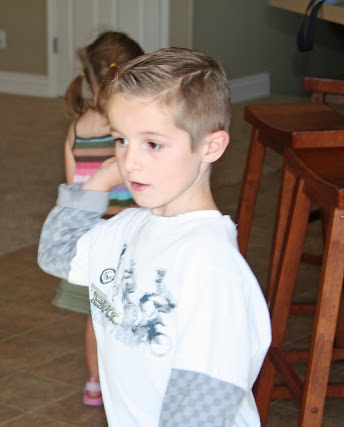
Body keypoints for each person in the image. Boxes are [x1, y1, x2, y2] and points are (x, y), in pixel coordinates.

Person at [38, 47, 271, 426]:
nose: (130, 162)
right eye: (121, 140)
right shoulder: (125, 228)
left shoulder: (211, 266)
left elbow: (203, 408)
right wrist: (100, 180)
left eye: (153, 144)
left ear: (210, 147)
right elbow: (56, 253)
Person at [52, 30, 144, 407]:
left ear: (89, 77)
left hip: (93, 242)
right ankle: (133, 383)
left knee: (98, 318)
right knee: (135, 315)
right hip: (131, 239)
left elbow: (76, 193)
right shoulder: (132, 127)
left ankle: (95, 384)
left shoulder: (76, 129)